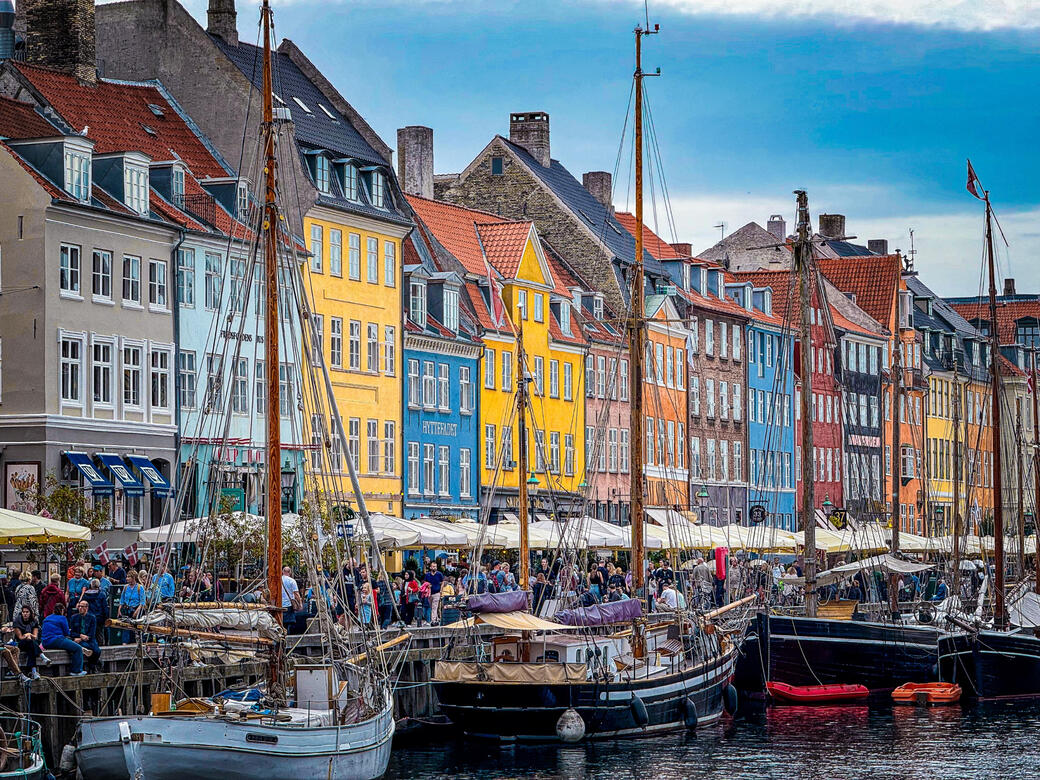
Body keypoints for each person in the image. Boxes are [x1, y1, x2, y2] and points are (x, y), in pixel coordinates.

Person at [41, 604, 84, 676]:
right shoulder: (62, 618)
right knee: (78, 648)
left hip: (45, 642)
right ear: (62, 610)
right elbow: (67, 633)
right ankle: (76, 671)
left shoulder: (47, 618)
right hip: (56, 640)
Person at [10, 605, 45, 680]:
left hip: (31, 643)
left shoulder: (34, 621)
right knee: (30, 642)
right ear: (21, 613)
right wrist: (26, 636)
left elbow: (35, 636)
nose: (25, 614)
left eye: (27, 612)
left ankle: (34, 671)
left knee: (31, 645)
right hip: (20, 644)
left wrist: (29, 634)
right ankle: (41, 655)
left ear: (30, 613)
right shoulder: (17, 622)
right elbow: (20, 637)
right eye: (23, 612)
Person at [69, 601, 101, 673]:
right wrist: (80, 636)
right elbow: (71, 633)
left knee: (97, 651)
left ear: (87, 608)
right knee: (86, 647)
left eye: (82, 607)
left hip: (89, 639)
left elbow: (92, 633)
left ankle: (92, 665)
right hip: (79, 640)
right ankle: (92, 667)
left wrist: (83, 638)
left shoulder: (92, 618)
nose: (80, 608)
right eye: (79, 606)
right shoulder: (74, 618)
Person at [119, 571, 146, 644]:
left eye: (129, 577)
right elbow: (122, 599)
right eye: (127, 577)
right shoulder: (125, 587)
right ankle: (125, 642)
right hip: (127, 608)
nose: (127, 578)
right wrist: (119, 609)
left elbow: (142, 602)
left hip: (136, 608)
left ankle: (136, 642)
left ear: (133, 578)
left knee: (136, 627)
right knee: (125, 626)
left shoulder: (140, 588)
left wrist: (137, 611)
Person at [84, 578, 108, 644]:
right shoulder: (101, 594)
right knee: (99, 633)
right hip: (99, 617)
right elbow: (104, 607)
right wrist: (106, 617)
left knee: (89, 632)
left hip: (88, 616)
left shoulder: (85, 595)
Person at [281, 566, 302, 631]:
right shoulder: (292, 581)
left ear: (282, 571)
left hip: (279, 603)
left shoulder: (278, 580)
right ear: (290, 572)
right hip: (289, 604)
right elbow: (296, 594)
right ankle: (287, 634)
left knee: (281, 622)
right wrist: (300, 604)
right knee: (289, 623)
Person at [424, 562, 444, 626]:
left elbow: (442, 582)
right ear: (430, 567)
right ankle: (436, 619)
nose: (434, 568)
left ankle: (433, 621)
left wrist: (441, 590)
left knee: (435, 606)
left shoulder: (439, 574)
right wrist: (427, 585)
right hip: (429, 593)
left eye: (435, 566)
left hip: (437, 592)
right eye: (433, 566)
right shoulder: (427, 575)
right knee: (431, 607)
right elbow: (425, 582)